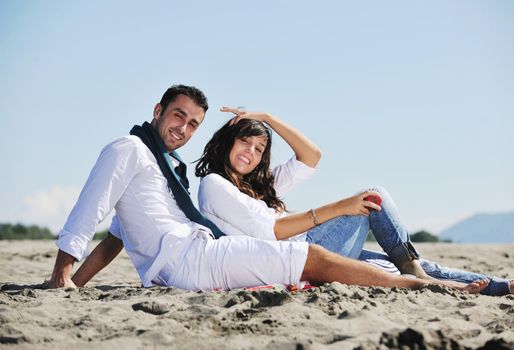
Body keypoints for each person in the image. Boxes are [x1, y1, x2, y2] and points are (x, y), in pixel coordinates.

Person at [48, 84, 487, 293]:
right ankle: (425, 286)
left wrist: (79, 283)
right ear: (158, 110)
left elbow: (118, 236)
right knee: (315, 256)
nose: (184, 128)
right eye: (178, 116)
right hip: (191, 259)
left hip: (197, 252)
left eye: (193, 123)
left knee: (376, 263)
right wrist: (61, 277)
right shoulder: (129, 149)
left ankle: (492, 286)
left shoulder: (166, 169)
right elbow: (89, 211)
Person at [195, 107, 514, 296]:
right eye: (244, 143)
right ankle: (416, 270)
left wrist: (267, 116)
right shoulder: (214, 184)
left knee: (397, 265)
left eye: (258, 149)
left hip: (309, 248)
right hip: (300, 255)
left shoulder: (261, 184)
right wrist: (341, 208)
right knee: (373, 196)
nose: (249, 153)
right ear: (227, 142)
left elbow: (311, 156)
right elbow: (274, 230)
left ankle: (504, 287)